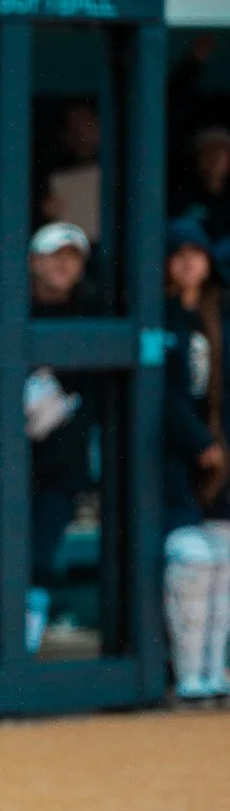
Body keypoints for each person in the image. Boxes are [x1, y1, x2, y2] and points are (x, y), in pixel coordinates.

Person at [162, 214, 230, 703]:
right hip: (173, 460)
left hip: (219, 460)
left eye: (197, 253)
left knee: (225, 561)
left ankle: (214, 670)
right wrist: (196, 441)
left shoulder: (218, 316)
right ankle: (188, 676)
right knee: (191, 560)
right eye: (179, 253)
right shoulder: (160, 317)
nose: (189, 262)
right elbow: (162, 395)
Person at [25, 223, 100, 653]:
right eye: (55, 255)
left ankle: (26, 646)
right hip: (5, 460)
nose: (63, 264)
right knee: (2, 557)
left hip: (63, 465)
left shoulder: (92, 310)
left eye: (72, 257)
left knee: (40, 556)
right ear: (34, 261)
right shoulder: (9, 306)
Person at [40, 99, 102, 243]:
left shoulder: (121, 168)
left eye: (86, 123)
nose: (80, 132)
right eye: (74, 126)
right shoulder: (53, 173)